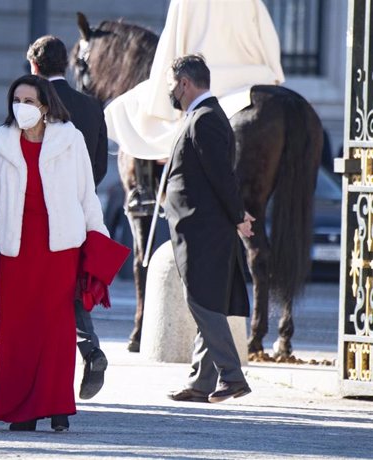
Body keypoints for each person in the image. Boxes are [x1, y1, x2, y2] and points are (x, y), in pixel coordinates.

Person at [0, 74, 109, 431]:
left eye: (29, 101)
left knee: (58, 331)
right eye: (16, 100)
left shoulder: (70, 138)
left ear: (45, 106)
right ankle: (22, 411)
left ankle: (58, 407)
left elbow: (86, 196)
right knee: (17, 331)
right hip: (18, 250)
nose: (21, 108)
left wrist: (100, 244)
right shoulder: (0, 141)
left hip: (60, 248)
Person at [162, 55, 253, 404]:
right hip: (199, 228)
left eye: (172, 83)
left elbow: (222, 177)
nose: (171, 90)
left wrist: (238, 215)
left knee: (201, 301)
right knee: (206, 299)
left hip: (203, 230)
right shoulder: (202, 117)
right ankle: (202, 382)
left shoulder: (205, 120)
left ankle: (232, 376)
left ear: (185, 83)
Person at [26, 35, 109, 400]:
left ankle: (65, 362)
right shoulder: (91, 107)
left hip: (41, 214)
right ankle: (87, 348)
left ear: (34, 66)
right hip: (80, 211)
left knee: (41, 296)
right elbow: (102, 166)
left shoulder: (33, 105)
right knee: (70, 290)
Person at [105, 0, 284, 160]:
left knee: (124, 109)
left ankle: (143, 191)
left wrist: (162, 104)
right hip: (254, 79)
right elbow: (270, 46)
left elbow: (170, 52)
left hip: (204, 81)